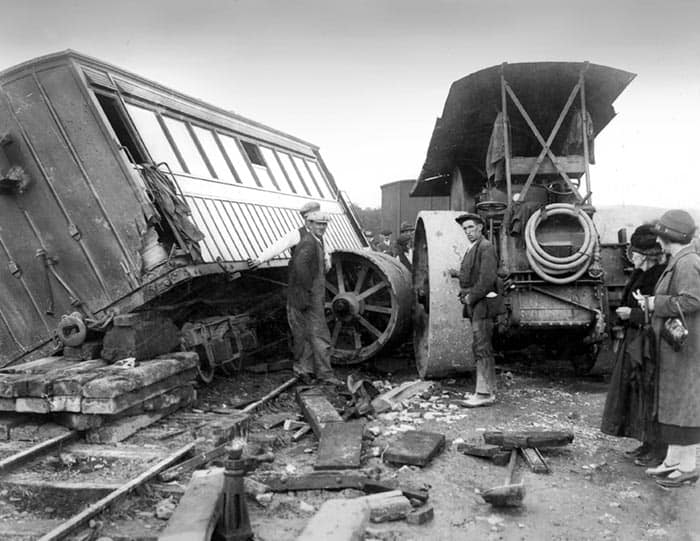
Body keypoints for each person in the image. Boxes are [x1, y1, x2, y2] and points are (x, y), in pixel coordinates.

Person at [636, 209, 700, 487]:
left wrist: (654, 304)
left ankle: (688, 466)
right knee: (674, 404)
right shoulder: (680, 260)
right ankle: (673, 461)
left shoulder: (687, 263)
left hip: (685, 348)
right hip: (675, 347)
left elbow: (691, 301)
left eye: (661, 236)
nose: (658, 242)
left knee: (684, 405)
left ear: (669, 237)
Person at [600, 224, 667, 466]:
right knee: (636, 391)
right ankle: (646, 443)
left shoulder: (660, 275)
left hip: (650, 341)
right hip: (635, 338)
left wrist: (634, 315)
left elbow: (663, 311)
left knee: (650, 391)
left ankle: (659, 450)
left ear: (647, 256)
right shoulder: (641, 272)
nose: (632, 257)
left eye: (636, 254)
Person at [287, 210, 342, 386]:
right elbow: (300, 266)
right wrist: (307, 291)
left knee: (305, 334)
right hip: (307, 298)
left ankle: (305, 371)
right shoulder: (309, 243)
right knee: (319, 335)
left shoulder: (316, 240)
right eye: (318, 224)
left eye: (324, 224)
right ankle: (325, 375)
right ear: (309, 224)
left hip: (307, 297)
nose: (322, 227)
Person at [456, 213, 499, 407]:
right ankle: (484, 390)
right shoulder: (473, 248)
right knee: (480, 345)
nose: (468, 232)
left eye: (471, 227)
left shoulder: (486, 247)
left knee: (482, 346)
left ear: (480, 227)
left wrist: (470, 297)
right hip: (476, 303)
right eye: (465, 228)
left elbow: (487, 280)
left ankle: (484, 393)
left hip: (482, 304)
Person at [247, 201, 330, 271]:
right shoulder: (297, 234)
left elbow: (325, 252)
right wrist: (260, 259)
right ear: (306, 219)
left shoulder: (321, 236)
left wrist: (327, 259)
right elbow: (278, 246)